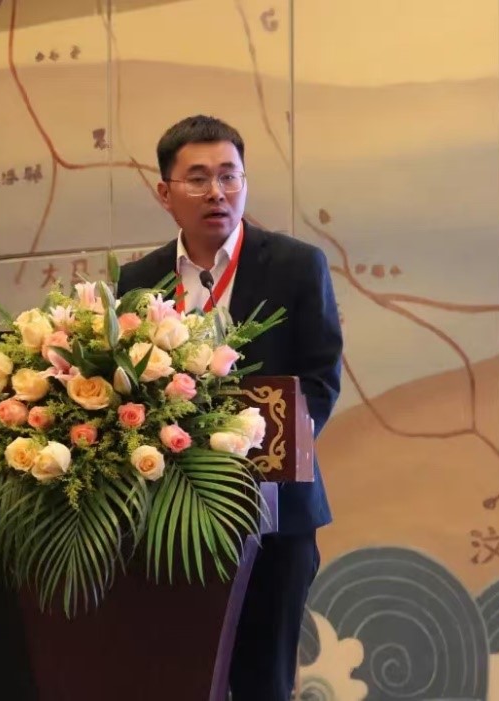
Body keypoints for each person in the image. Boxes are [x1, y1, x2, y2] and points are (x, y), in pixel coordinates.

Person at [117, 115, 343, 700]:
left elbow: (320, 379)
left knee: (263, 681)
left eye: (229, 176)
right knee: (183, 678)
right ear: (165, 192)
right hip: (171, 514)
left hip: (275, 513)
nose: (217, 192)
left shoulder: (296, 265)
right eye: (198, 179)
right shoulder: (139, 279)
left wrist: (264, 443)